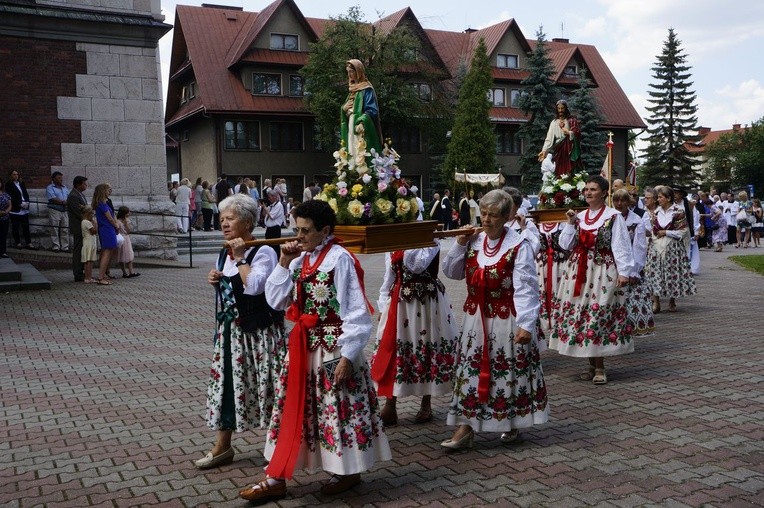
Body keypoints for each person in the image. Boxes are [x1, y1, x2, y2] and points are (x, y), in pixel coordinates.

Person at [239, 200, 391, 502]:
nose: (299, 236)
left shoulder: (340, 259)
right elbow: (276, 301)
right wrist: (283, 263)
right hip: (302, 347)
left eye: (306, 231)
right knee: (294, 408)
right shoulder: (298, 260)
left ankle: (348, 470)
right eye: (297, 229)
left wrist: (348, 355)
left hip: (333, 348)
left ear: (325, 231)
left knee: (337, 410)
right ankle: (278, 472)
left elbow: (356, 310)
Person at [440, 189, 548, 449]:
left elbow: (526, 287)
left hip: (504, 319)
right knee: (471, 371)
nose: (486, 220)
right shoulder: (474, 241)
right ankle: (466, 427)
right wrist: (460, 243)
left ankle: (510, 422)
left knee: (506, 372)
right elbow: (451, 272)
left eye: (493, 215)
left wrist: (526, 324)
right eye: (483, 214)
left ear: (507, 216)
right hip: (475, 320)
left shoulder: (518, 244)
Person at [196, 193, 287, 472]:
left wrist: (239, 258)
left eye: (230, 218)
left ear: (247, 222)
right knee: (227, 387)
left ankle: (280, 446)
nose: (224, 223)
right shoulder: (225, 250)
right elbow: (230, 289)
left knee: (269, 387)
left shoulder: (264, 250)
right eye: (222, 218)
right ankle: (222, 446)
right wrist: (215, 280)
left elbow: (256, 287)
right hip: (232, 333)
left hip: (260, 333)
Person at [550, 175, 635, 385]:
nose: (588, 192)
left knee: (598, 316)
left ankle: (599, 366)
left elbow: (621, 246)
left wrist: (624, 272)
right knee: (582, 317)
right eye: (586, 189)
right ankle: (591, 364)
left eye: (593, 189)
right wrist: (570, 224)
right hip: (578, 271)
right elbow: (565, 244)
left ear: (605, 193)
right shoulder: (579, 216)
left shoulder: (613, 216)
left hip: (602, 271)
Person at [371, 243, 459, 426]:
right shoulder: (395, 238)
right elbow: (391, 273)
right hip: (400, 301)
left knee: (427, 345)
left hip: (426, 301)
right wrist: (383, 301)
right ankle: (390, 404)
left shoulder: (430, 238)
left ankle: (426, 403)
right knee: (393, 348)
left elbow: (417, 265)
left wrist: (409, 241)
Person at [644, 185, 697, 313]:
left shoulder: (678, 211)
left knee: (672, 273)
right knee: (654, 272)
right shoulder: (655, 212)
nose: (658, 200)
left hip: (673, 246)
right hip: (656, 246)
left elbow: (683, 231)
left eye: (660, 197)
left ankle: (672, 300)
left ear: (668, 198)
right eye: (658, 197)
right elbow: (653, 230)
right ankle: (656, 302)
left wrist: (666, 232)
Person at [612, 189, 654, 336]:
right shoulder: (609, 217)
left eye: (622, 200)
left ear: (628, 202)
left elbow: (640, 246)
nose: (619, 204)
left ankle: (630, 329)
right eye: (616, 200)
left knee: (630, 300)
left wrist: (635, 269)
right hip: (612, 264)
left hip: (631, 264)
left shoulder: (636, 220)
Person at [536, 219, 571, 347]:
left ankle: (559, 327)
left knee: (559, 294)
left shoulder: (564, 223)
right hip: (542, 266)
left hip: (559, 265)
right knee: (542, 294)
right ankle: (546, 325)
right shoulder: (535, 223)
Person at [341, 59, 383, 166]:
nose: (349, 75)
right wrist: (343, 109)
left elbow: (372, 109)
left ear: (358, 71)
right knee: (351, 149)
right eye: (348, 72)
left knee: (361, 150)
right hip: (351, 124)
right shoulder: (352, 90)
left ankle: (364, 173)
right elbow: (348, 108)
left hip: (361, 127)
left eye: (351, 71)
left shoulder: (366, 89)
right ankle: (353, 172)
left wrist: (362, 121)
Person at [537, 99, 582, 177]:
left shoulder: (571, 120)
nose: (560, 110)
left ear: (566, 109)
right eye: (559, 108)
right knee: (559, 168)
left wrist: (569, 133)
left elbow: (577, 132)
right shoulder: (554, 122)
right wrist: (544, 150)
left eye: (562, 108)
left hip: (569, 148)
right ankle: (560, 182)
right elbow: (549, 138)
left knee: (570, 168)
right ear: (557, 109)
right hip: (559, 148)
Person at [92, 183, 120, 285]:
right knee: (107, 253)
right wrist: (116, 225)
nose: (110, 191)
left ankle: (102, 275)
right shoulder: (102, 203)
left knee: (107, 252)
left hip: (107, 229)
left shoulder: (102, 203)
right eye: (108, 189)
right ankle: (101, 277)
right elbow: (109, 218)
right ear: (103, 191)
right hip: (107, 229)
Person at [6, 170, 36, 249]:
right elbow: (10, 197)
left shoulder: (21, 183)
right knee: (15, 227)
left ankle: (29, 243)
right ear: (10, 176)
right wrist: (20, 204)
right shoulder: (8, 184)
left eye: (17, 174)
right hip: (15, 209)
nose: (16, 176)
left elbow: (25, 193)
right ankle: (18, 243)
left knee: (26, 227)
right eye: (14, 174)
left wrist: (27, 202)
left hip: (24, 208)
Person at [67, 176, 89, 281]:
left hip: (83, 226)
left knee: (82, 249)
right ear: (78, 184)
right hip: (78, 226)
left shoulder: (80, 195)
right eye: (84, 184)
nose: (86, 185)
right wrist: (88, 221)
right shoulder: (73, 196)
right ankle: (78, 273)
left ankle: (82, 271)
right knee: (78, 249)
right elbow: (78, 212)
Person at [46, 171, 70, 252]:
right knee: (54, 228)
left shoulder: (65, 188)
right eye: (59, 178)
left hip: (64, 210)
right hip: (54, 210)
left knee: (65, 228)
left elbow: (69, 197)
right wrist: (63, 202)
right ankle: (56, 246)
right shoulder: (50, 187)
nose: (61, 179)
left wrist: (67, 202)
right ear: (53, 179)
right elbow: (52, 198)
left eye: (61, 178)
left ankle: (65, 247)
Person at [116, 206, 139, 278]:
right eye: (128, 212)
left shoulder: (127, 220)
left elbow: (128, 231)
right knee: (121, 254)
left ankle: (131, 271)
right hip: (121, 238)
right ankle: (124, 272)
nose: (129, 213)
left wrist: (126, 224)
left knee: (129, 254)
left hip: (126, 238)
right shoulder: (117, 221)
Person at [80, 206, 98, 284]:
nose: (92, 216)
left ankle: (88, 277)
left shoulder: (84, 222)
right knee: (89, 261)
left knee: (88, 261)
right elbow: (94, 231)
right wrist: (94, 222)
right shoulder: (86, 222)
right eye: (92, 214)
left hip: (89, 242)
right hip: (89, 243)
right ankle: (88, 278)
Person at [0, 178, 11, 258]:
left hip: (5, 217)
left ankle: (3, 251)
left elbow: (10, 204)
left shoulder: (5, 194)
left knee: (3, 235)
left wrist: (6, 211)